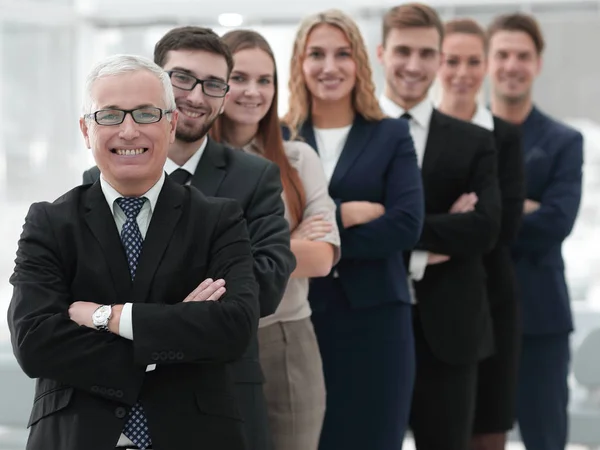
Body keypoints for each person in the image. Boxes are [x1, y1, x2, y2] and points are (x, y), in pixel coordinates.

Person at [8, 54, 259, 450]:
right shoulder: (50, 223)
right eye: (109, 115)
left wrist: (105, 316)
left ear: (172, 124)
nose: (128, 131)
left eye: (145, 114)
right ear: (85, 129)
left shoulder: (218, 219)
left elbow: (233, 328)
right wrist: (173, 336)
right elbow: (35, 342)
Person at [82, 27, 296, 450]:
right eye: (182, 78)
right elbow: (88, 284)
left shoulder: (255, 177)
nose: (197, 96)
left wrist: (135, 311)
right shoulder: (99, 175)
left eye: (213, 84)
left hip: (220, 395)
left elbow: (265, 287)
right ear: (156, 80)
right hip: (119, 401)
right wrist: (186, 308)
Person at [283, 9, 425, 450]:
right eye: (317, 54)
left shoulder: (391, 135)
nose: (330, 66)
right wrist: (343, 212)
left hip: (378, 322)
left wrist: (316, 237)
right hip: (302, 320)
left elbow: (405, 225)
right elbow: (267, 224)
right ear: (300, 64)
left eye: (342, 54)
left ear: (360, 63)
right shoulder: (279, 135)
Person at [377, 4, 501, 449]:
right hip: (367, 322)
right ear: (381, 53)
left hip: (451, 331)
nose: (414, 65)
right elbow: (342, 229)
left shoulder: (474, 140)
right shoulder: (357, 132)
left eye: (426, 53)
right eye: (403, 51)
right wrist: (436, 235)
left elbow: (484, 229)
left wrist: (390, 226)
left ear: (438, 58)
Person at [211, 29, 340, 450]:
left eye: (265, 80)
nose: (253, 92)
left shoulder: (300, 159)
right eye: (239, 78)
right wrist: (284, 243)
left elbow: (321, 258)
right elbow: (186, 257)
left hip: (285, 338)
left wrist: (229, 251)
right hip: (205, 338)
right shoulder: (187, 163)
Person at [487, 13, 584, 450]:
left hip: (540, 321)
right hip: (477, 316)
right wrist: (522, 207)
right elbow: (442, 225)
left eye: (522, 55)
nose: (512, 65)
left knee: (546, 439)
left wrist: (486, 215)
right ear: (488, 62)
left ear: (538, 63)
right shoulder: (465, 136)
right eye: (502, 54)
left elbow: (556, 223)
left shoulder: (564, 141)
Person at [437, 17, 526, 450]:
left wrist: (461, 226)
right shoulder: (407, 133)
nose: (463, 72)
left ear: (486, 65)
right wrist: (455, 223)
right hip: (426, 301)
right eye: (452, 60)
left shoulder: (504, 137)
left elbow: (500, 227)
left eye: (474, 61)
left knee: (487, 426)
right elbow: (399, 221)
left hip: (489, 300)